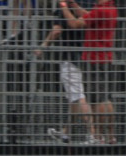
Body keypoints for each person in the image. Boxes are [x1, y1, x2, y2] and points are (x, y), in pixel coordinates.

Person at [35, 4, 96, 143]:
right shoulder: (85, 5)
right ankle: (66, 133)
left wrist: (43, 46)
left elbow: (56, 30)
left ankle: (93, 134)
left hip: (70, 58)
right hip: (85, 56)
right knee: (73, 96)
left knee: (79, 96)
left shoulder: (63, 9)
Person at [60, 0, 117, 144]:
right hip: (103, 58)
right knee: (104, 97)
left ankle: (98, 136)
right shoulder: (109, 8)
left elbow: (74, 24)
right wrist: (74, 6)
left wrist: (64, 7)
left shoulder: (101, 10)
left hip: (95, 59)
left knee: (98, 100)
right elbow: (88, 16)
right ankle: (110, 136)